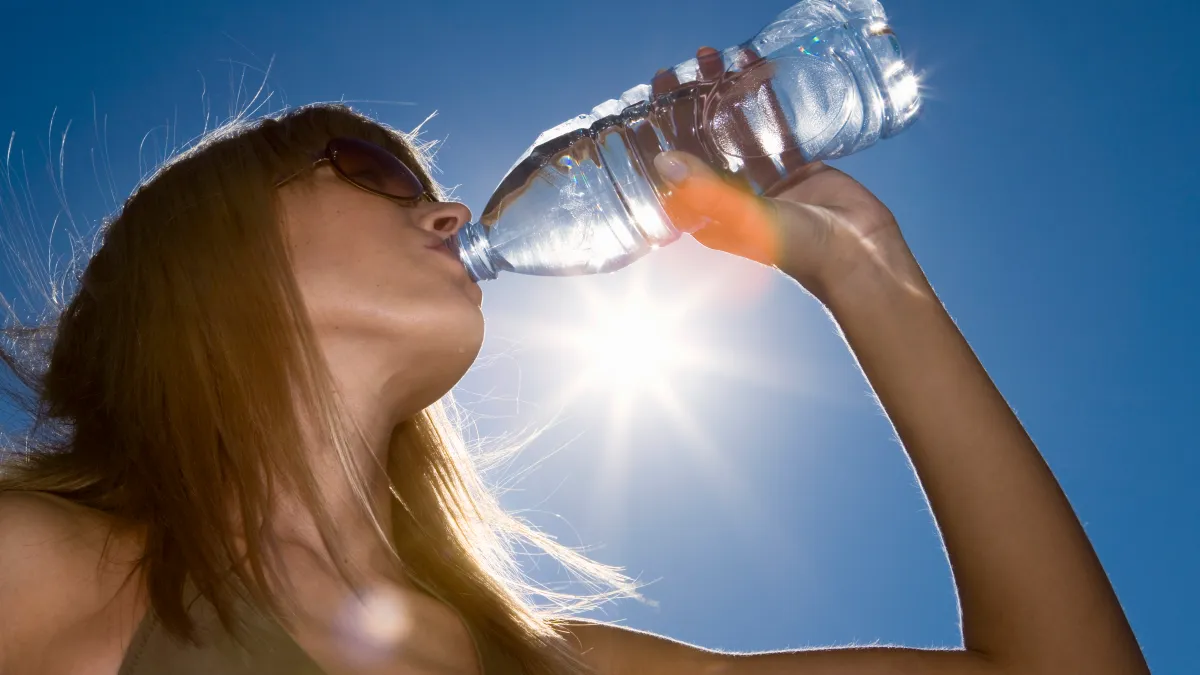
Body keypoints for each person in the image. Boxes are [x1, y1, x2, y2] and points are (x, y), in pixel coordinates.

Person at [0, 95, 1147, 674]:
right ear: (202, 254)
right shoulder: (65, 568)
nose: (446, 209)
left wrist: (865, 272)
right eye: (373, 170)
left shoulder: (550, 660)